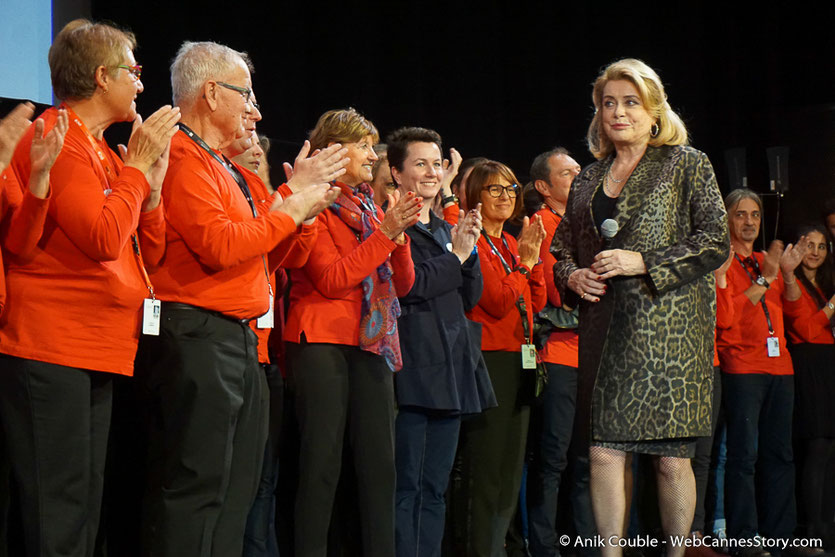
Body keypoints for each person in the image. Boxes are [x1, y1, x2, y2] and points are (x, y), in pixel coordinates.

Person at [139, 41, 342, 557]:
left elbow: (270, 257)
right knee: (198, 487)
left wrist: (304, 207)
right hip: (198, 334)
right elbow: (222, 246)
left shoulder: (226, 167)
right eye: (245, 92)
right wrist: (294, 203)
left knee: (237, 490)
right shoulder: (183, 157)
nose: (256, 106)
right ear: (211, 92)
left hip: (239, 339)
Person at [0, 19, 179, 557]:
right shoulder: (58, 138)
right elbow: (102, 238)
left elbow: (151, 248)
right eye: (134, 71)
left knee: (85, 501)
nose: (141, 85)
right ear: (103, 76)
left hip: (97, 345)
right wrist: (139, 168)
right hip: (52, 343)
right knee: (59, 506)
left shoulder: (100, 148)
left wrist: (148, 185)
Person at [551, 58, 729, 557]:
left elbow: (715, 241)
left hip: (668, 337)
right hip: (605, 334)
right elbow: (562, 250)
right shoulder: (587, 178)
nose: (618, 112)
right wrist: (574, 276)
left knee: (671, 461)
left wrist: (643, 261)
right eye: (608, 103)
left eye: (630, 102)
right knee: (603, 453)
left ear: (654, 111)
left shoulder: (686, 163)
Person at [284, 107, 420, 557]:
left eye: (370, 144)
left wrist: (395, 235)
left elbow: (403, 284)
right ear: (334, 150)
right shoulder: (317, 199)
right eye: (362, 144)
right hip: (321, 342)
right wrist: (385, 233)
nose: (371, 153)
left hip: (371, 343)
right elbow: (330, 277)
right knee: (321, 467)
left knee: (380, 467)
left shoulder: (367, 204)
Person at [385, 126, 495, 557]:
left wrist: (467, 253)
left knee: (436, 487)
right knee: (406, 485)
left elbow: (469, 296)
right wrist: (459, 257)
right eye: (420, 164)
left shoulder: (446, 229)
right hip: (413, 367)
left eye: (437, 163)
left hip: (452, 367)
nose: (432, 172)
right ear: (396, 173)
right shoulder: (393, 223)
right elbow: (409, 287)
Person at [457, 158, 547, 557]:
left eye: (511, 189)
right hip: (488, 358)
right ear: (474, 195)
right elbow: (495, 302)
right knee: (487, 468)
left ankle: (501, 546)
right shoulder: (471, 239)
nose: (506, 197)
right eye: (495, 189)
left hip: (519, 358)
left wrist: (534, 259)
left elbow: (536, 300)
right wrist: (526, 265)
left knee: (512, 467)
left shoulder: (511, 242)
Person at [717, 188, 807, 556]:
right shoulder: (721, 262)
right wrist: (765, 279)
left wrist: (785, 275)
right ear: (727, 219)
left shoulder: (763, 261)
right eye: (741, 214)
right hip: (742, 367)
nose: (750, 221)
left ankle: (782, 537)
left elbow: (797, 314)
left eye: (754, 214)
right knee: (744, 455)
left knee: (781, 454)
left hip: (780, 367)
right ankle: (744, 537)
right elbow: (727, 319)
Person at [524, 147, 597, 557]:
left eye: (580, 172)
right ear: (544, 187)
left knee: (587, 460)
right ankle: (545, 545)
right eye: (568, 174)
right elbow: (550, 294)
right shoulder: (538, 225)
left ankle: (584, 544)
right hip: (557, 354)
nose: (579, 178)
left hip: (590, 356)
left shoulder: (587, 226)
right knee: (553, 460)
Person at [784, 224, 835, 551]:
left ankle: (827, 528)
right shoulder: (792, 282)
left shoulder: (823, 284)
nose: (815, 251)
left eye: (821, 246)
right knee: (815, 449)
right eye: (809, 244)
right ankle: (810, 529)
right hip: (807, 367)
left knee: (829, 450)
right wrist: (832, 307)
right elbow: (803, 328)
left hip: (828, 365)